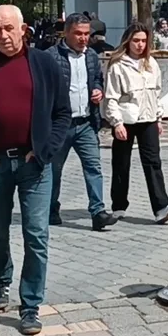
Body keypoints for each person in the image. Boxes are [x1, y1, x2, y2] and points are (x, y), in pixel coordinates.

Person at [0, 5, 70, 335]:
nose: (4, 36)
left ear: (24, 29)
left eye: (10, 28)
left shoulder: (44, 63)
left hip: (34, 164)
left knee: (36, 233)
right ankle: (0, 283)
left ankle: (31, 304)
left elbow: (61, 113)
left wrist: (46, 150)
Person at [103, 24, 168, 225]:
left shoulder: (151, 63)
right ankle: (118, 205)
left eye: (144, 41)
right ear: (128, 41)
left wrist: (159, 117)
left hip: (149, 119)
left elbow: (157, 92)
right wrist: (116, 122)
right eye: (136, 40)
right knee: (121, 163)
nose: (140, 45)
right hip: (126, 119)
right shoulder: (118, 65)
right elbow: (111, 97)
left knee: (153, 162)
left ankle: (162, 206)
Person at [46, 14, 113, 230]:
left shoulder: (92, 55)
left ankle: (98, 212)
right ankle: (51, 208)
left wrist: (98, 90)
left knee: (93, 167)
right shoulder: (50, 57)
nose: (84, 38)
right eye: (78, 34)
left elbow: (96, 79)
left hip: (86, 123)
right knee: (54, 170)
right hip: (59, 126)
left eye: (87, 34)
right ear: (66, 33)